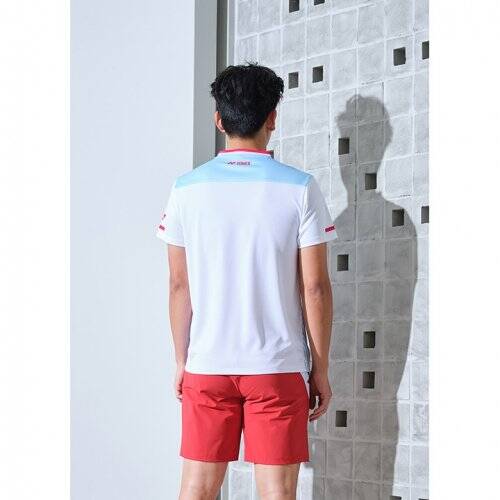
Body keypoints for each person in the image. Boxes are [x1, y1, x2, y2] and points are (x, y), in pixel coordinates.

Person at [156, 62, 337, 500]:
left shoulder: (185, 189)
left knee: (197, 489)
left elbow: (179, 285)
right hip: (276, 367)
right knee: (276, 493)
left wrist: (182, 360)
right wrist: (320, 369)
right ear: (272, 118)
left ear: (219, 120)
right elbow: (314, 287)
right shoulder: (300, 188)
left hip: (208, 364)